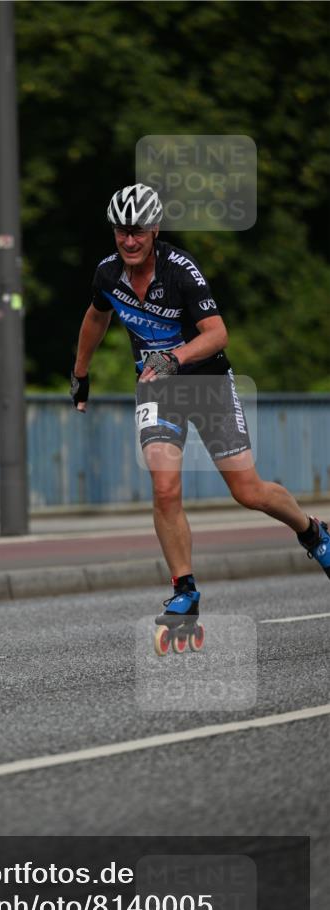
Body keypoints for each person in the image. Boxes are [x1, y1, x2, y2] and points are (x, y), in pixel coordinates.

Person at [70, 183, 330, 636]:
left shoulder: (181, 270)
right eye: (121, 232)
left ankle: (313, 532)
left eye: (138, 232)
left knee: (248, 492)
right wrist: (80, 373)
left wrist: (175, 357)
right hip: (157, 388)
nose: (129, 241)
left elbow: (217, 333)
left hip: (206, 381)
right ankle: (184, 588)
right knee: (165, 489)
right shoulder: (107, 274)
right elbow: (97, 317)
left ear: (154, 229)